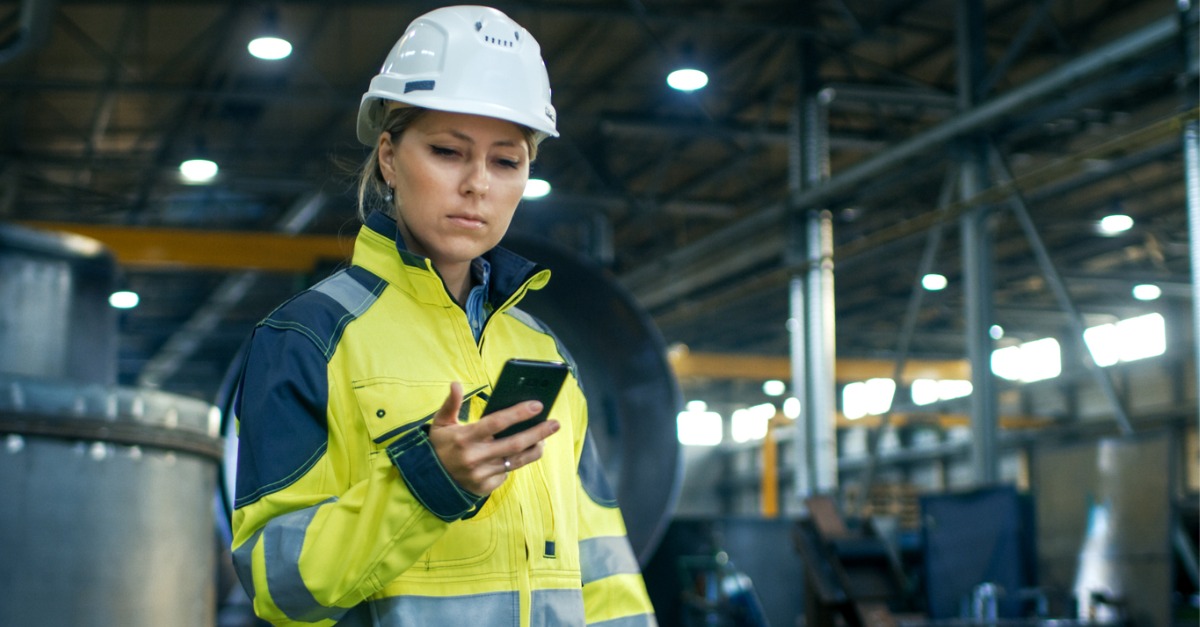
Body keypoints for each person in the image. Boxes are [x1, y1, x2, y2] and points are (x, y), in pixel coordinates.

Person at [228, 5, 657, 626]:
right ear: (390, 158)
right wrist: (425, 486)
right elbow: (277, 585)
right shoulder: (308, 338)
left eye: (506, 161)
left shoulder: (542, 351)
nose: (478, 184)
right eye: (448, 151)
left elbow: (603, 565)